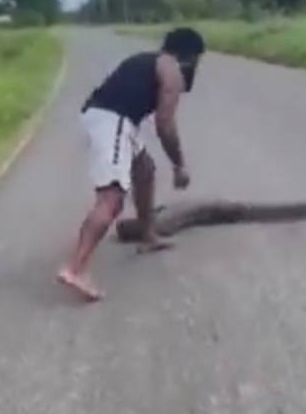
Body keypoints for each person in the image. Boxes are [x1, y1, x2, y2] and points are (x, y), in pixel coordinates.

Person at [57, 27, 206, 302]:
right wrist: (179, 166)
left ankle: (148, 235)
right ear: (189, 56)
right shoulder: (172, 70)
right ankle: (76, 269)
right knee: (112, 198)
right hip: (112, 122)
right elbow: (165, 124)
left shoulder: (148, 60)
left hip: (109, 119)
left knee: (145, 170)